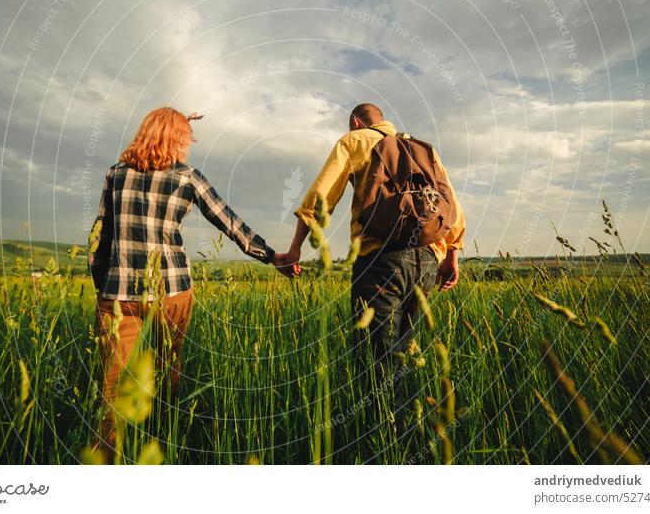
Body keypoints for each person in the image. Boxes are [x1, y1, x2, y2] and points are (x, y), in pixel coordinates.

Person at [87, 107, 293, 463]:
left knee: (111, 391)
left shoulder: (115, 175)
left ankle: (103, 463)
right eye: (186, 140)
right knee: (168, 378)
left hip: (118, 296)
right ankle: (163, 449)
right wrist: (270, 255)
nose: (187, 147)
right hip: (172, 292)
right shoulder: (188, 177)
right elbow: (228, 221)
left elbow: (99, 238)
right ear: (177, 139)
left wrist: (104, 288)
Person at [281, 103, 466, 429]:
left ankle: (383, 442)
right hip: (426, 261)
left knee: (376, 360)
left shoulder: (355, 141)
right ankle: (411, 432)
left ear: (356, 122)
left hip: (381, 262)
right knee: (407, 353)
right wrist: (451, 255)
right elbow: (451, 204)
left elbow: (319, 198)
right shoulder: (423, 148)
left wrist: (295, 248)